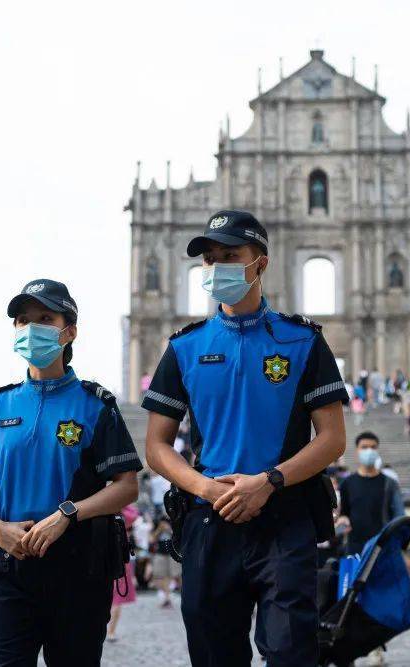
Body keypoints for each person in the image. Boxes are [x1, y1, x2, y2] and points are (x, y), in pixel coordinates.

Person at [141, 210, 347, 666]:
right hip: (209, 519)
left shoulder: (304, 341)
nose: (216, 268)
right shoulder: (184, 347)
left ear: (261, 264)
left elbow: (332, 439)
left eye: (230, 256)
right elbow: (156, 445)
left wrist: (269, 481)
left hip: (285, 516)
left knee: (291, 652)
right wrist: (204, 487)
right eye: (209, 260)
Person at [0, 278, 142, 667]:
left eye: (44, 318)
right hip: (6, 567)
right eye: (23, 320)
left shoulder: (96, 405)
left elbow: (126, 487)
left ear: (68, 331)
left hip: (80, 567)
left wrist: (67, 514)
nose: (31, 328)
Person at [337, 432, 404, 556]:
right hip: (354, 548)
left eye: (373, 447)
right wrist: (343, 520)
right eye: (364, 447)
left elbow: (399, 516)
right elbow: (344, 513)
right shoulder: (347, 483)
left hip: (382, 547)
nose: (369, 451)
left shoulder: (390, 483)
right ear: (357, 450)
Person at [107, 504, 139, 642]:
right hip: (119, 558)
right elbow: (134, 513)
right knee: (116, 599)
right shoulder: (123, 516)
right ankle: (111, 632)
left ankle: (107, 631)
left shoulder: (102, 511)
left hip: (104, 556)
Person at [149, 516, 179, 609]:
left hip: (172, 553)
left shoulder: (174, 522)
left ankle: (181, 594)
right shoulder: (156, 524)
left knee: (176, 575)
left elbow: (178, 536)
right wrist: (159, 529)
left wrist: (169, 529)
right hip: (160, 554)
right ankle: (167, 598)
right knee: (162, 576)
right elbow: (152, 539)